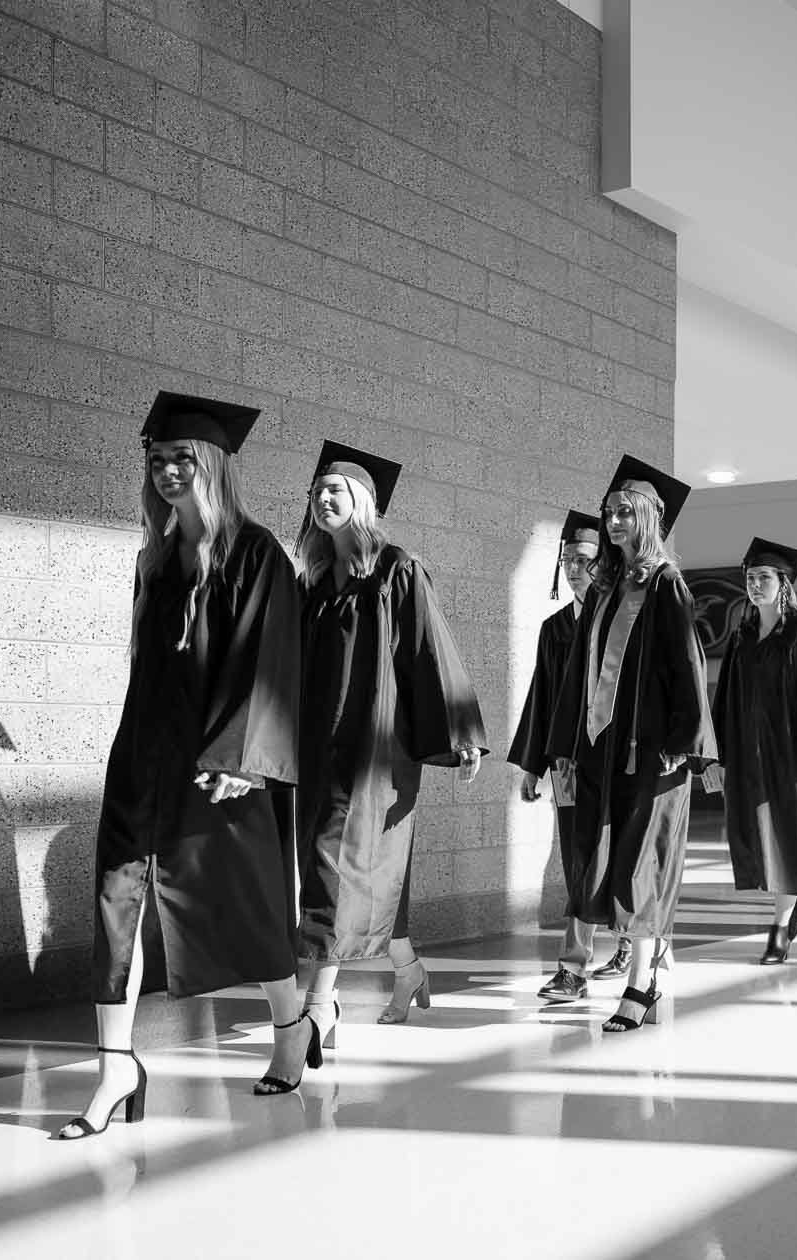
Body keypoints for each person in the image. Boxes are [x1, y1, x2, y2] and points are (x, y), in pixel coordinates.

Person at [59, 392, 307, 1139]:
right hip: (144, 757)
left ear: (214, 465)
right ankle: (114, 1071)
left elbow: (270, 662)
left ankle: (292, 1025)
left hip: (224, 764)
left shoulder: (257, 553)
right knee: (116, 901)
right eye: (158, 459)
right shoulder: (156, 561)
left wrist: (243, 756)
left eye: (182, 459)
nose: (168, 471)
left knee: (250, 904)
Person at [293, 443, 487, 1038]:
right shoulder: (314, 581)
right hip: (316, 747)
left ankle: (318, 1006)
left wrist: (460, 733)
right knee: (359, 872)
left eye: (337, 490)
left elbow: (431, 648)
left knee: (335, 867)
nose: (325, 499)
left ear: (364, 503)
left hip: (376, 752)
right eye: (318, 490)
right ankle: (407, 969)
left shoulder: (398, 567)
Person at [546, 456, 715, 1031]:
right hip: (600, 745)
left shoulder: (666, 584)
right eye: (610, 512)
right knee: (606, 861)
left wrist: (682, 738)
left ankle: (639, 983)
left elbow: (685, 666)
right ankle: (646, 961)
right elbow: (578, 672)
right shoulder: (605, 586)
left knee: (643, 860)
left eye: (625, 513)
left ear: (647, 519)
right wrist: (563, 744)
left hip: (650, 749)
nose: (614, 521)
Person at [712, 538, 797, 964]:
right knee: (758, 837)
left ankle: (778, 929)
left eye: (764, 578)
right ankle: (792, 906)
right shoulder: (742, 635)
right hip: (749, 754)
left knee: (789, 840)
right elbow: (727, 697)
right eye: (750, 578)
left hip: (794, 755)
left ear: (783, 583)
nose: (755, 585)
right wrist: (716, 753)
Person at [521, 510, 633, 1002]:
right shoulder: (555, 628)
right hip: (569, 763)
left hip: (617, 761)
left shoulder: (625, 621)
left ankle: (631, 942)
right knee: (579, 860)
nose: (573, 570)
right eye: (567, 560)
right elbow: (542, 696)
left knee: (622, 856)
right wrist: (533, 763)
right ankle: (574, 966)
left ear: (604, 565)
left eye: (584, 560)